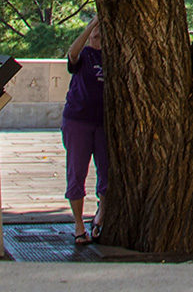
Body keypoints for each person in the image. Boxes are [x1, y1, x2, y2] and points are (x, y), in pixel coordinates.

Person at [62, 15, 111, 245]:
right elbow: (72, 53)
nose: (95, 35)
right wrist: (90, 25)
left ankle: (100, 217)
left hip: (103, 123)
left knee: (107, 172)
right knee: (76, 172)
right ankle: (79, 225)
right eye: (93, 32)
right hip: (78, 120)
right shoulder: (83, 56)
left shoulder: (111, 56)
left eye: (99, 31)